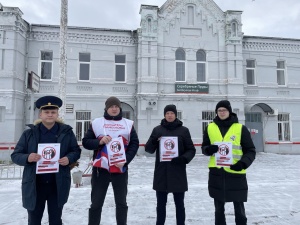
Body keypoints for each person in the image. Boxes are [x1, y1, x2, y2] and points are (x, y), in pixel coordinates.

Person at [11, 95, 81, 225]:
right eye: (46, 112)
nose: (50, 115)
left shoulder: (66, 132)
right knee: (34, 220)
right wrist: (28, 157)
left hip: (57, 184)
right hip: (35, 185)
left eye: (53, 112)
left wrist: (68, 158)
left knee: (55, 220)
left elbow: (76, 151)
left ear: (57, 114)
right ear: (40, 114)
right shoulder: (29, 134)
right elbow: (15, 155)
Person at [82, 96, 139, 225]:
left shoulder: (128, 124)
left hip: (120, 169)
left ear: (120, 108)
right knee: (96, 203)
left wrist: (126, 160)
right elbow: (86, 142)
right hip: (100, 170)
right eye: (111, 106)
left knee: (121, 203)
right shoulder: (97, 123)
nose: (114, 109)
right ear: (106, 108)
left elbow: (134, 144)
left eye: (116, 106)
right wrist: (99, 141)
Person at [202, 100, 256, 225]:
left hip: (236, 172)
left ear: (229, 111)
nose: (221, 112)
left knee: (239, 208)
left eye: (224, 110)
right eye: (219, 110)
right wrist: (208, 150)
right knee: (218, 209)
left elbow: (251, 150)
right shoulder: (210, 127)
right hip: (217, 173)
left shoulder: (240, 128)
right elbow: (204, 147)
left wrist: (243, 164)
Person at [145, 104, 196, 225]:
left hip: (178, 172)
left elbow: (191, 149)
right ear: (164, 115)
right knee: (160, 205)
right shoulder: (157, 130)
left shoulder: (184, 131)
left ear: (175, 115)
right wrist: (154, 140)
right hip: (161, 173)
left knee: (180, 205)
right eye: (167, 113)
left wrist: (183, 158)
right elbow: (148, 149)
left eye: (172, 113)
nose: (169, 115)